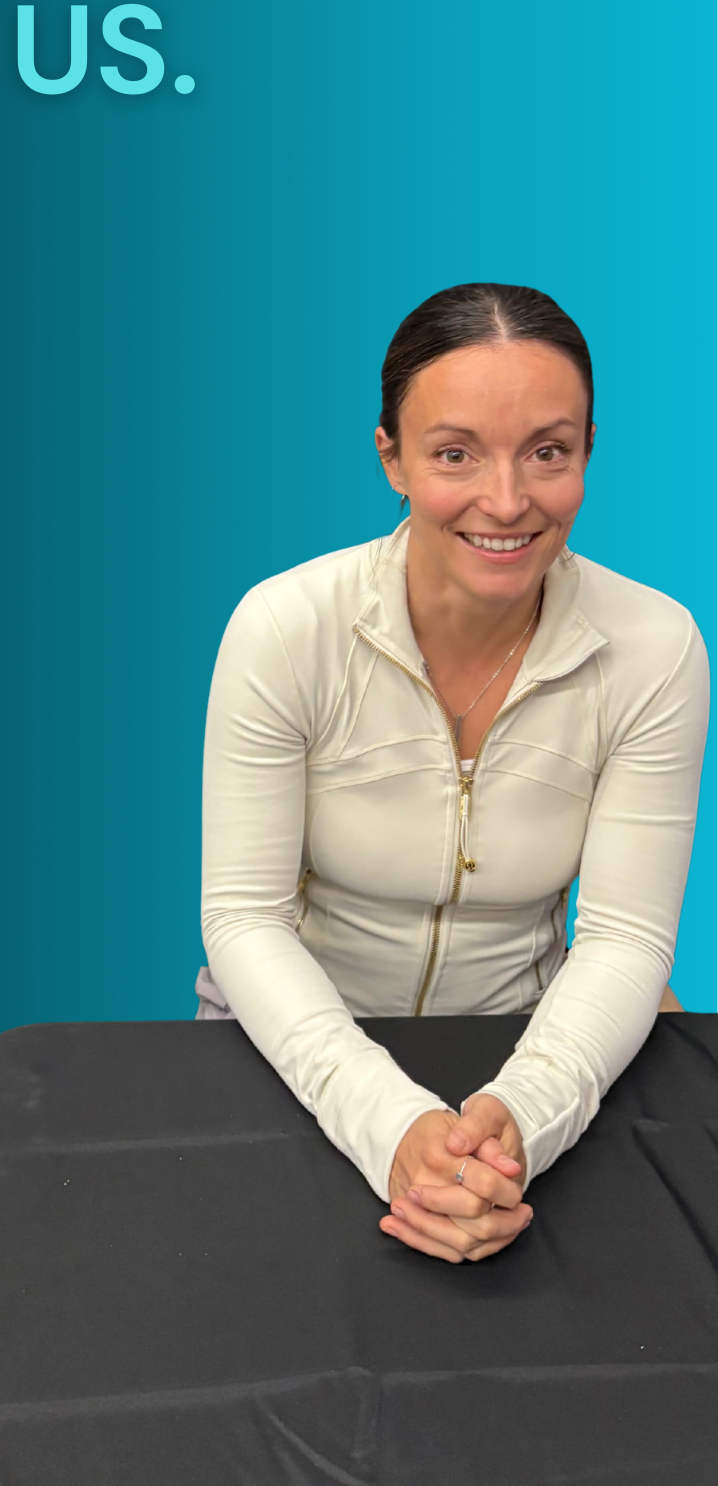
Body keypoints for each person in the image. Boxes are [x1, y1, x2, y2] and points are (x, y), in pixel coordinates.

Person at [198, 284, 709, 1265]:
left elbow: (625, 937)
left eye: (547, 451)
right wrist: (389, 1125)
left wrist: (523, 1114)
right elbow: (244, 918)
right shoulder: (282, 627)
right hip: (289, 1039)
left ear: (588, 452)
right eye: (454, 453)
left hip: (526, 1044)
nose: (507, 499)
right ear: (388, 455)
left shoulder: (657, 647)